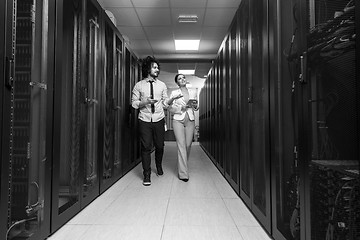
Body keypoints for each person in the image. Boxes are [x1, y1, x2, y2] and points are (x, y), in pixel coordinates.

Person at [131, 56, 181, 186]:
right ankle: (146, 174)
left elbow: (165, 103)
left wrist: (172, 99)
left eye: (157, 67)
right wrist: (146, 101)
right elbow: (134, 104)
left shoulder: (162, 85)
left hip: (159, 119)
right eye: (154, 67)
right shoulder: (139, 85)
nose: (157, 69)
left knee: (159, 145)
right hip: (144, 119)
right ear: (148, 68)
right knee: (146, 147)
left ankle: (158, 165)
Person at [168, 74, 198, 182]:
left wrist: (195, 106)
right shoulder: (174, 93)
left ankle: (183, 164)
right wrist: (181, 107)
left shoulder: (193, 92)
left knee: (188, 144)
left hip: (190, 118)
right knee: (181, 145)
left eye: (183, 78)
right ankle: (184, 173)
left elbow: (195, 106)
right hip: (178, 119)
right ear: (177, 82)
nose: (182, 79)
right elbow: (170, 107)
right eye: (179, 79)